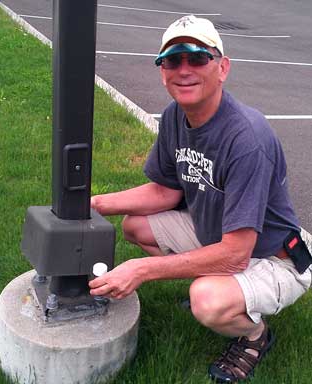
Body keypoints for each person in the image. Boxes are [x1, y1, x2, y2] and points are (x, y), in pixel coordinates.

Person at [89, 15, 312, 383]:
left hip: (278, 257)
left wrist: (140, 271)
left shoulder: (246, 139)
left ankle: (255, 336)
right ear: (162, 72)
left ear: (222, 68)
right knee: (136, 226)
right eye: (172, 60)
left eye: (197, 57)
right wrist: (97, 203)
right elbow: (165, 191)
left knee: (206, 299)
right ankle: (227, 292)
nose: (184, 69)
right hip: (222, 236)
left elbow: (237, 253)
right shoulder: (177, 116)